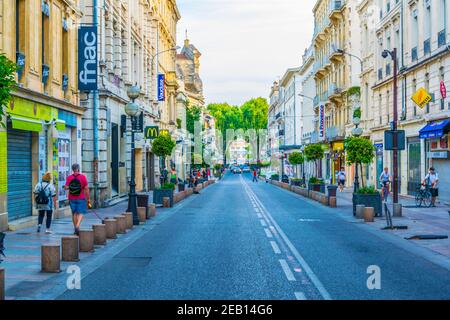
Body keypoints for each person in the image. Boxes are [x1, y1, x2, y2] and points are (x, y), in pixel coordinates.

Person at [65, 164, 90, 235]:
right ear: (78, 169)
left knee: (74, 213)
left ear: (72, 169)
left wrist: (72, 187)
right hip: (81, 197)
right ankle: (77, 226)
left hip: (72, 198)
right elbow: (86, 189)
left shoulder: (69, 177)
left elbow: (66, 187)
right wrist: (88, 199)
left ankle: (75, 227)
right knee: (81, 212)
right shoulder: (83, 177)